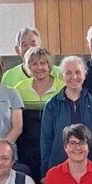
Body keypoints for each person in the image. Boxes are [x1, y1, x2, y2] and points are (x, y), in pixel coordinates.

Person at [40, 55, 92, 175]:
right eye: (68, 73)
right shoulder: (52, 105)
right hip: (59, 167)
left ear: (84, 75)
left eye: (78, 72)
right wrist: (44, 173)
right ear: (62, 76)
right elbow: (46, 141)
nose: (74, 77)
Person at [13, 45, 60, 177]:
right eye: (34, 64)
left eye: (42, 63)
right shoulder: (19, 89)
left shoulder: (62, 87)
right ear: (28, 67)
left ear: (49, 65)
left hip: (54, 148)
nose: (39, 67)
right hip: (26, 150)